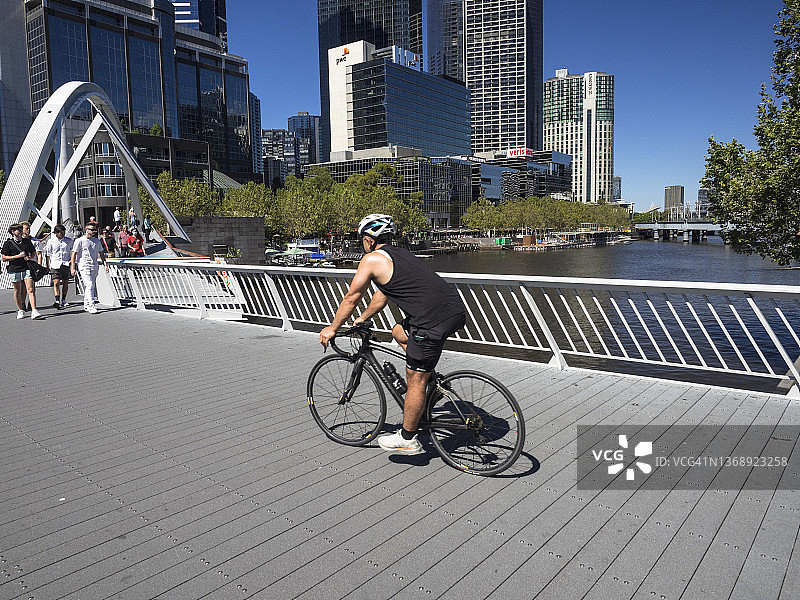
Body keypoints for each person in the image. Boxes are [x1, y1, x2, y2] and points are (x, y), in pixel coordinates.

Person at [319, 214, 466, 455]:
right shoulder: (401, 254)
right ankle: (431, 381)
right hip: (454, 311)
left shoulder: (372, 259)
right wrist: (364, 317)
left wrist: (333, 328)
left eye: (361, 241)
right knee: (398, 331)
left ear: (368, 240)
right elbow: (383, 293)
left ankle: (408, 438)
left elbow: (352, 297)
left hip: (430, 321)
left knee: (414, 379)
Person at [2, 223, 42, 319]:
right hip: (14, 269)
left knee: (31, 289)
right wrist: (17, 256)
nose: (20, 231)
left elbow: (33, 253)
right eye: (18, 230)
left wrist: (30, 257)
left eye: (21, 229)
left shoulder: (27, 242)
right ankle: (20, 310)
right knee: (17, 290)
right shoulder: (8, 243)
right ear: (13, 232)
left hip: (27, 267)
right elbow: (3, 258)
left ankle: (34, 310)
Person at [70, 223, 108, 314]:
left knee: (91, 286)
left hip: (94, 265)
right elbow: (74, 254)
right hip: (84, 265)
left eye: (94, 230)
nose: (93, 231)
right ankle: (92, 305)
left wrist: (105, 264)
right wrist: (73, 267)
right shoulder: (79, 241)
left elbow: (101, 253)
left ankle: (86, 304)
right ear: (86, 229)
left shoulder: (96, 241)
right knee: (90, 285)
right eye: (91, 229)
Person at [43, 224, 73, 308]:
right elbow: (48, 254)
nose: (62, 234)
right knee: (56, 282)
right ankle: (57, 300)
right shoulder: (51, 241)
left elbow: (73, 251)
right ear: (56, 233)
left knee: (65, 282)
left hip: (65, 263)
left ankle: (63, 299)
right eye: (60, 232)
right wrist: (47, 266)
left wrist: (71, 261)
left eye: (63, 232)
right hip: (55, 264)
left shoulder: (69, 241)